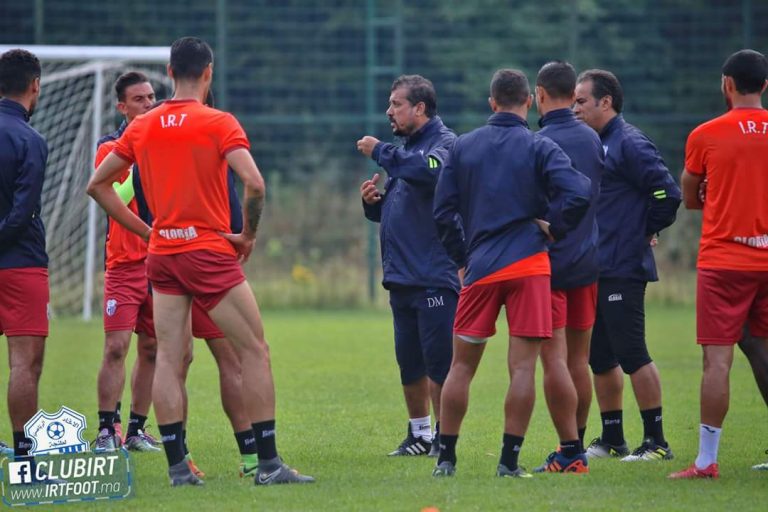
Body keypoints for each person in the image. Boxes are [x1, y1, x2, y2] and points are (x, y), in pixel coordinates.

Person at [88, 36, 314, 486]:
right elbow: (255, 183)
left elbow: (97, 185)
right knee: (254, 351)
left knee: (169, 359)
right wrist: (248, 235)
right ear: (208, 73)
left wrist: (147, 232)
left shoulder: (143, 125)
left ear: (170, 73)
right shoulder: (218, 121)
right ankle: (268, 464)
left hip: (162, 257)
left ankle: (178, 469)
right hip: (206, 253)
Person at [432, 69, 592, 478]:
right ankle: (508, 462)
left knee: (460, 367)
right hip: (530, 267)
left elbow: (443, 212)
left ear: (491, 102)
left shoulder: (463, 146)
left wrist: (461, 259)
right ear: (529, 101)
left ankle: (446, 459)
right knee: (522, 368)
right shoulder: (540, 145)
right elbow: (579, 191)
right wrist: (555, 227)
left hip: (482, 267)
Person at [669, 49, 768, 479]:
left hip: (725, 260)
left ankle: (707, 460)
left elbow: (690, 196)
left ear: (726, 84)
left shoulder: (705, 134)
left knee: (717, 361)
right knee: (764, 349)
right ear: (764, 86)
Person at [573, 69, 681, 461]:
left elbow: (667, 193)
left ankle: (656, 442)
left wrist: (645, 229)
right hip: (596, 267)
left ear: (606, 102)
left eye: (581, 101)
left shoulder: (630, 141)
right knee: (600, 358)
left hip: (623, 268)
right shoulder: (594, 142)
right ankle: (612, 438)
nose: (575, 108)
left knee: (633, 353)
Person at [358, 74, 458, 457]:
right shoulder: (408, 149)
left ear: (419, 108)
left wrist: (381, 151)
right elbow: (405, 209)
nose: (389, 111)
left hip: (433, 274)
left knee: (439, 364)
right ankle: (420, 435)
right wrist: (374, 204)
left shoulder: (443, 144)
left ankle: (445, 439)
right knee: (410, 363)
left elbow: (430, 171)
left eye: (396, 104)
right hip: (401, 276)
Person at [533, 61, 603, 472]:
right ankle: (576, 442)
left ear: (540, 94)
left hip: (551, 265)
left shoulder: (538, 142)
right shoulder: (593, 138)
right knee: (579, 360)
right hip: (588, 263)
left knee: (553, 360)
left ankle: (569, 450)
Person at [93, 71, 160, 453]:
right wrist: (141, 151)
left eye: (151, 97)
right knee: (116, 347)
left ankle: (136, 430)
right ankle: (107, 430)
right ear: (122, 106)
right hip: (123, 264)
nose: (148, 104)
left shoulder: (164, 143)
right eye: (139, 99)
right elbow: (116, 195)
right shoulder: (109, 147)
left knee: (152, 347)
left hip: (160, 264)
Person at [0, 49, 48, 461]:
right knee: (24, 364)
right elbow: (22, 210)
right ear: (35, 85)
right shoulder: (31, 140)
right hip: (19, 263)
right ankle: (25, 460)